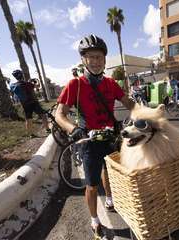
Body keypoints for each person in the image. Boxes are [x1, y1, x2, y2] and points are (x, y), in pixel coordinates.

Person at [55, 34, 134, 238]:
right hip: (89, 141)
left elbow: (131, 104)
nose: (95, 61)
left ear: (105, 60)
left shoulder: (110, 84)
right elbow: (59, 115)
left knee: (109, 173)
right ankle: (94, 220)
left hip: (110, 138)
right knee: (91, 184)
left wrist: (146, 116)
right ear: (83, 60)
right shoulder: (76, 85)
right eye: (90, 57)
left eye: (99, 57)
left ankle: (110, 201)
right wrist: (74, 129)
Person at [10, 69, 49, 137]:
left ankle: (31, 134)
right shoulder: (28, 84)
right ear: (22, 75)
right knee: (43, 115)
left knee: (28, 119)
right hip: (33, 103)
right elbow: (38, 86)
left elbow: (16, 89)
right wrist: (37, 81)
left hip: (25, 104)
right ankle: (47, 129)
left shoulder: (13, 86)